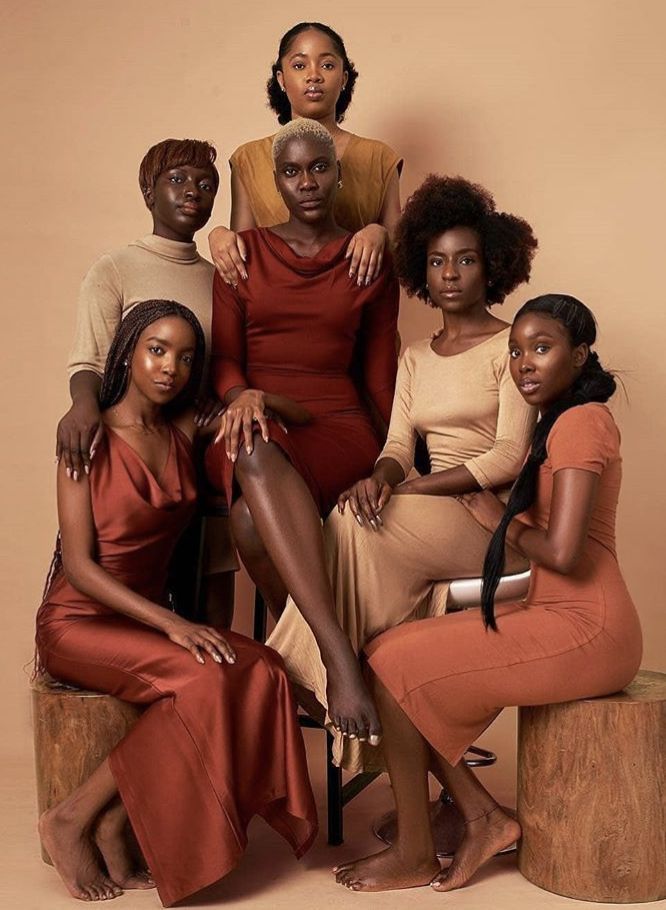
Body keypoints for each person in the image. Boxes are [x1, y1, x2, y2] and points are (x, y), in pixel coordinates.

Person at [332, 293, 642, 893]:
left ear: (579, 356)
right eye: (517, 351)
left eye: (543, 349)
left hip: (589, 629)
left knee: (395, 663)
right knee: (388, 655)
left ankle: (419, 850)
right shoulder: (559, 421)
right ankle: (480, 818)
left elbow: (564, 553)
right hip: (553, 612)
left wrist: (496, 518)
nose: (525, 363)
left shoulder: (583, 423)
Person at [36, 301, 317, 907]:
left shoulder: (185, 428)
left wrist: (251, 399)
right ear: (129, 352)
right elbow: (81, 569)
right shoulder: (86, 438)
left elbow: (303, 415)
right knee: (204, 682)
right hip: (79, 623)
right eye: (157, 350)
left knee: (265, 668)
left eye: (186, 356)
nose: (171, 367)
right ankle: (72, 818)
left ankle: (115, 821)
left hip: (145, 625)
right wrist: (174, 624)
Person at [268, 175, 538, 771]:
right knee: (350, 512)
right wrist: (382, 478)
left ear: (491, 266)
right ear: (421, 269)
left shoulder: (510, 346)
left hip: (490, 519)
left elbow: (507, 457)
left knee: (355, 530)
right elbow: (395, 444)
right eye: (437, 261)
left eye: (465, 260)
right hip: (429, 509)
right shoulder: (414, 357)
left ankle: (311, 675)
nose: (449, 274)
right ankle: (360, 680)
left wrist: (412, 487)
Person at [205, 117, 399, 741]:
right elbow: (226, 359)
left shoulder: (367, 259)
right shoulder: (243, 254)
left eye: (318, 168)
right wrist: (241, 396)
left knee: (247, 512)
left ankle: (313, 666)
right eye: (291, 172)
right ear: (276, 182)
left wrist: (389, 459)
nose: (306, 181)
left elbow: (379, 371)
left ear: (338, 175)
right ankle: (336, 656)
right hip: (253, 413)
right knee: (252, 463)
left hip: (337, 424)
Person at [55, 138, 236, 625]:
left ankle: (211, 676)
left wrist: (219, 408)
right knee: (128, 565)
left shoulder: (220, 278)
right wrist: (82, 407)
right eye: (176, 180)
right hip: (132, 450)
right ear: (147, 190)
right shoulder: (115, 268)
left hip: (194, 442)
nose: (191, 192)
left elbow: (223, 362)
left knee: (210, 573)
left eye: (205, 184)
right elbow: (89, 360)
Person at [209, 21, 402, 289]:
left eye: (327, 65)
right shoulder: (249, 158)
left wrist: (379, 234)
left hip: (359, 315)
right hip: (276, 314)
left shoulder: (380, 158)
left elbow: (402, 260)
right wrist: (219, 235)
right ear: (281, 79)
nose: (314, 76)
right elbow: (243, 260)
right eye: (299, 65)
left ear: (344, 78)